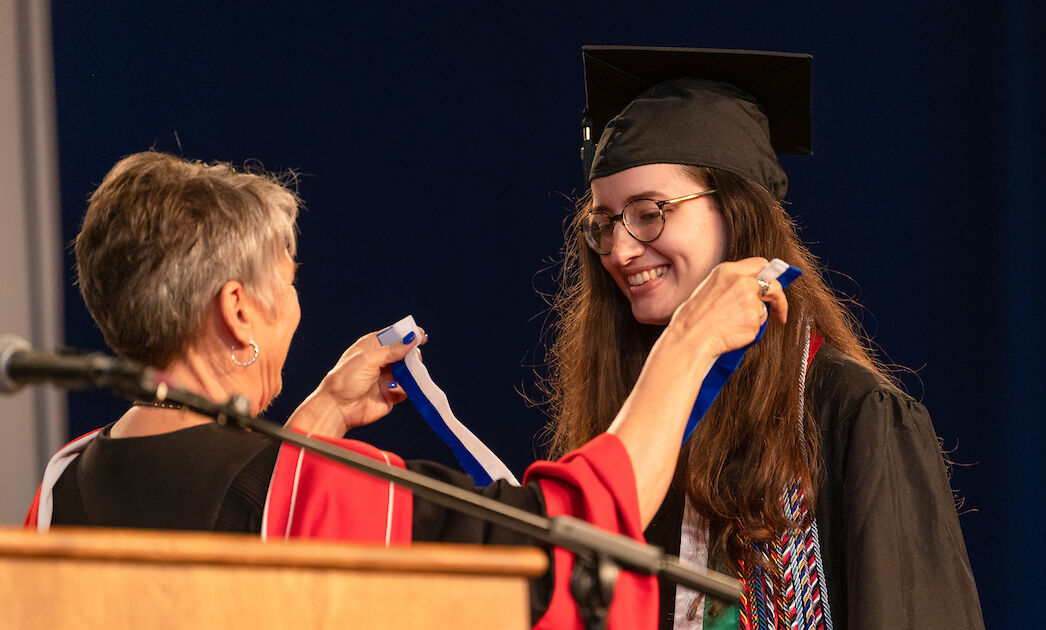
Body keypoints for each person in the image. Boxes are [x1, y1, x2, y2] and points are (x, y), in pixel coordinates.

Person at [25, 150, 787, 630]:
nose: (295, 309)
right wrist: (688, 343)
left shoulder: (61, 485)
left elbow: (234, 528)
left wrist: (318, 415)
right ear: (236, 310)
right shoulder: (312, 489)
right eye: (285, 287)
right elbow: (558, 540)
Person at [543, 46, 984, 629]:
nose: (620, 250)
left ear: (736, 210)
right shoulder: (635, 425)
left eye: (649, 211)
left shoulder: (852, 416)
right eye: (604, 223)